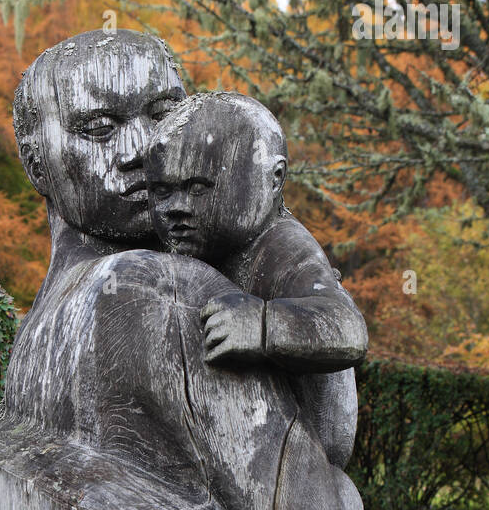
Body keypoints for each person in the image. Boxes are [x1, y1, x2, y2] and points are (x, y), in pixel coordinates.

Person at [7, 28, 363, 510]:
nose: (143, 150)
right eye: (100, 129)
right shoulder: (155, 290)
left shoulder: (37, 334)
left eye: (164, 112)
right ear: (36, 166)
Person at [145, 91, 363, 468]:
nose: (177, 207)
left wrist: (263, 324)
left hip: (299, 459)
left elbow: (347, 329)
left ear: (273, 178)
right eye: (163, 191)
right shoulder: (201, 245)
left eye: (198, 188)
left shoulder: (283, 246)